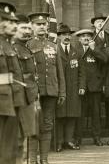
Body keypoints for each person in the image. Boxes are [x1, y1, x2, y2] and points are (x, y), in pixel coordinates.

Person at [27, 12, 66, 164]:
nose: (42, 27)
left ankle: (44, 159)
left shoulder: (53, 46)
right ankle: (32, 159)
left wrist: (62, 92)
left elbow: (59, 71)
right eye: (38, 24)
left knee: (48, 124)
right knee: (33, 124)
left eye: (44, 24)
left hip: (51, 91)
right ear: (32, 26)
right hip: (34, 93)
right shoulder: (28, 45)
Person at [13, 14, 40, 164]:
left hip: (30, 96)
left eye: (29, 28)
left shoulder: (26, 48)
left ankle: (31, 161)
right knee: (19, 134)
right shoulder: (13, 49)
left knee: (31, 131)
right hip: (19, 97)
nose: (27, 31)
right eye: (23, 28)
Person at [0, 2, 25, 164]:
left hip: (11, 101)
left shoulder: (8, 44)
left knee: (10, 150)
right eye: (9, 21)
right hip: (2, 103)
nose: (14, 25)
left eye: (15, 22)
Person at [55, 24, 85, 152]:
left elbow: (82, 72)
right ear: (59, 37)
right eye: (63, 34)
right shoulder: (55, 51)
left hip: (73, 90)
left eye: (68, 34)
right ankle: (59, 142)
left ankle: (69, 140)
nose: (66, 37)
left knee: (72, 116)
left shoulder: (76, 52)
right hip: (60, 90)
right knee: (60, 116)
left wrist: (82, 86)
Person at [74, 28, 104, 146]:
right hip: (80, 88)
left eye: (88, 36)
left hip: (94, 87)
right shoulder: (75, 51)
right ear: (79, 39)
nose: (86, 38)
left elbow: (105, 60)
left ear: (92, 38)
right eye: (83, 36)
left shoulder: (96, 49)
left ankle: (97, 137)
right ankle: (78, 138)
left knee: (96, 114)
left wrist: (94, 49)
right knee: (79, 114)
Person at [91, 13, 109, 128]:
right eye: (97, 21)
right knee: (95, 102)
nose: (100, 23)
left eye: (102, 21)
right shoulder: (91, 37)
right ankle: (97, 126)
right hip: (95, 72)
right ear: (94, 24)